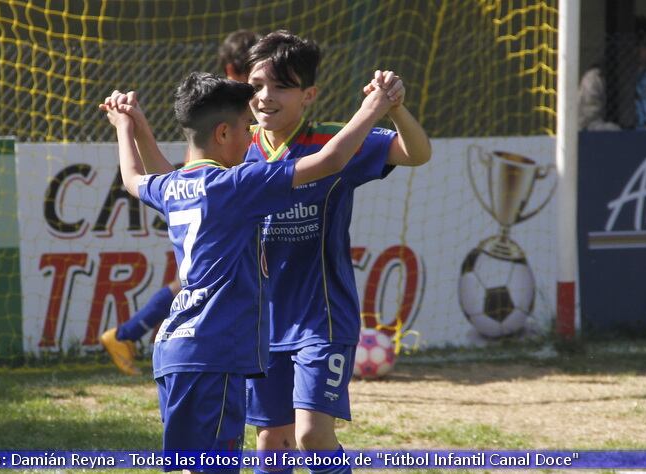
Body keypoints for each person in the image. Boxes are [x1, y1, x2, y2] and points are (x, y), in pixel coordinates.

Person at [100, 71, 394, 465]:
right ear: (223, 134)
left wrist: (128, 126)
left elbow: (135, 178)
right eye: (245, 127)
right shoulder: (237, 184)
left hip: (173, 351)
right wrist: (374, 107)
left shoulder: (172, 187)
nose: (251, 136)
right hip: (216, 351)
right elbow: (331, 159)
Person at [241, 31, 430, 474]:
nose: (265, 97)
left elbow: (416, 153)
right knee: (271, 441)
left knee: (310, 435)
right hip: (260, 323)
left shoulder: (336, 141)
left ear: (309, 95)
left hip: (321, 318)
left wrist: (396, 108)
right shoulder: (236, 146)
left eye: (281, 87)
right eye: (256, 86)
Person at [99, 30, 262, 376]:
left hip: (181, 353)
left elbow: (143, 180)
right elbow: (325, 163)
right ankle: (126, 333)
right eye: (256, 70)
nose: (263, 87)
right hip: (216, 347)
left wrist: (130, 128)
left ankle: (127, 333)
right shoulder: (226, 157)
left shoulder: (222, 134)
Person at [579, 15, 646, 131]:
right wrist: (612, 133)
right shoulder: (596, 77)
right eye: (634, 45)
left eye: (645, 45)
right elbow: (586, 119)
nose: (640, 51)